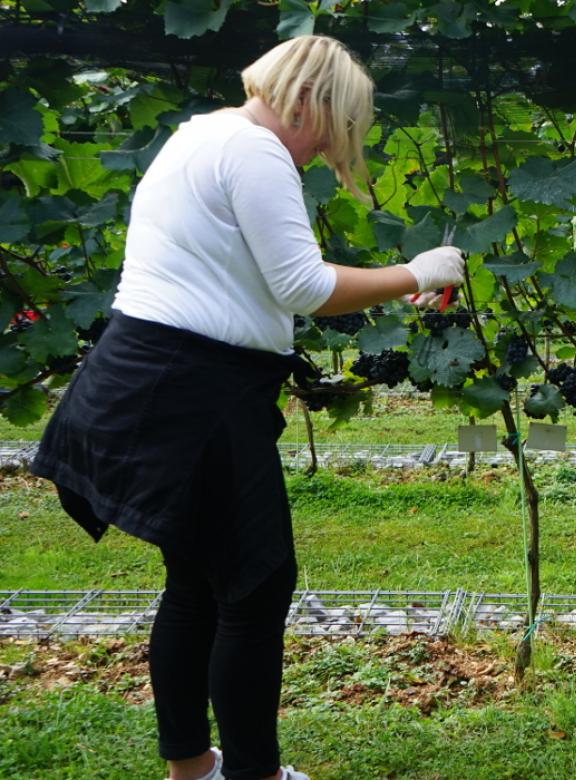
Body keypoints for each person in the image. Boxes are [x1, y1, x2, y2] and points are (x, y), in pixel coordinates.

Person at [28, 36, 464, 780]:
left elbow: (254, 282)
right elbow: (301, 286)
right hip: (193, 395)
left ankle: (193, 770)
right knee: (257, 584)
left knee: (197, 579)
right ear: (309, 103)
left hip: (152, 381)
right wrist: (413, 271)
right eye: (336, 127)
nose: (329, 147)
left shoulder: (199, 135)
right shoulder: (257, 149)